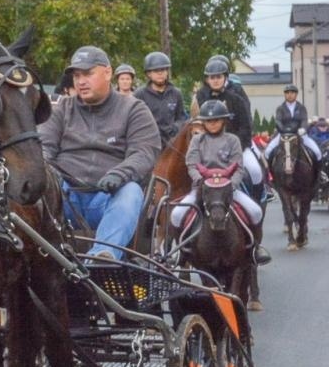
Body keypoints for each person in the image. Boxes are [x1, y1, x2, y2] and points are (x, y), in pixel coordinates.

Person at [39, 46, 162, 260]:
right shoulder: (61, 109)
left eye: (87, 74)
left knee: (131, 191)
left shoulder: (134, 109)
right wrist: (49, 173)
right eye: (77, 76)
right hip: (63, 197)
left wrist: (120, 174)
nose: (80, 81)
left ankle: (100, 258)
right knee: (32, 185)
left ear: (107, 73)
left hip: (107, 199)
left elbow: (144, 152)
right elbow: (42, 147)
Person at [169, 100, 262, 233]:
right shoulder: (197, 140)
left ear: (224, 121)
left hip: (228, 190)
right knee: (176, 215)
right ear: (203, 123)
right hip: (201, 190)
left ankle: (254, 248)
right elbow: (192, 165)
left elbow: (239, 168)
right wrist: (200, 182)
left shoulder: (233, 140)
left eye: (216, 120)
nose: (212, 124)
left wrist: (232, 185)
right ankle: (182, 251)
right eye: (208, 121)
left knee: (256, 212)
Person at [193, 55, 264, 192]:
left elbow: (245, 126)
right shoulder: (200, 97)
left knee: (255, 170)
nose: (215, 80)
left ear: (225, 77)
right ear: (207, 79)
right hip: (206, 147)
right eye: (212, 77)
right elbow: (195, 123)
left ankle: (258, 198)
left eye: (218, 77)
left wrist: (235, 147)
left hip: (236, 145)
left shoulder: (236, 98)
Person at [134, 50, 187, 148]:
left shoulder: (176, 93)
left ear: (167, 72)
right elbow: (134, 120)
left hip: (171, 142)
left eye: (163, 70)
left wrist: (176, 127)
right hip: (148, 143)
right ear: (149, 74)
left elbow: (182, 117)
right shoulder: (140, 94)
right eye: (156, 71)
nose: (160, 73)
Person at [266, 84, 322, 163]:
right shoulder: (280, 108)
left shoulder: (301, 107)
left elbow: (304, 120)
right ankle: (270, 173)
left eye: (292, 93)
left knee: (317, 152)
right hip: (283, 135)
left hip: (299, 134)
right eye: (287, 93)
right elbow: (278, 120)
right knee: (267, 152)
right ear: (285, 94)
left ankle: (318, 174)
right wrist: (283, 130)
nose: (290, 95)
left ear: (296, 94)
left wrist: (303, 128)